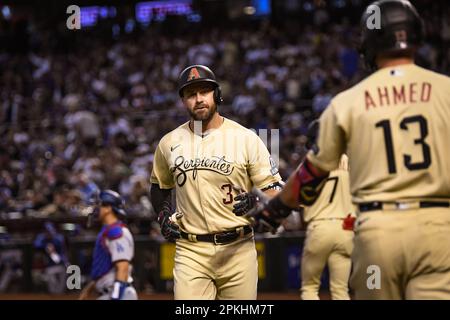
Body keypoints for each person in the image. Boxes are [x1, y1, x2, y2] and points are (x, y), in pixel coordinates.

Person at [246, 0, 450, 299]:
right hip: (438, 229)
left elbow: (311, 175)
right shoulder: (445, 90)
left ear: (370, 41)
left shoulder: (348, 102)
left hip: (379, 234)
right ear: (417, 34)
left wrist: (275, 210)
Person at [150, 65, 282, 300]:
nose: (198, 99)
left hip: (238, 249)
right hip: (191, 251)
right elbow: (159, 187)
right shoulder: (169, 142)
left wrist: (258, 200)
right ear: (183, 101)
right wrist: (162, 215)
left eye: (204, 92)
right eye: (191, 94)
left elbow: (275, 190)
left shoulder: (246, 138)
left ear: (217, 95)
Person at [300, 153, 355, 300]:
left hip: (320, 226)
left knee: (309, 288)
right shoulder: (352, 161)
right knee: (341, 289)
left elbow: (298, 197)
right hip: (346, 228)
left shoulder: (311, 162)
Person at [79, 190, 137, 300]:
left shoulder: (117, 232)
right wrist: (88, 290)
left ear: (108, 208)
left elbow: (123, 268)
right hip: (110, 293)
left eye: (98, 205)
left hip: (119, 294)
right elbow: (103, 270)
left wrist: (115, 297)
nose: (95, 209)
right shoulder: (107, 231)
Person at [33, 222, 69, 294]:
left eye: (50, 231)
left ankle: (60, 295)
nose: (49, 233)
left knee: (61, 288)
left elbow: (61, 253)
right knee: (53, 288)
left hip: (61, 265)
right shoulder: (42, 239)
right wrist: (44, 240)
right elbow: (36, 244)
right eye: (47, 231)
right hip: (50, 266)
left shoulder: (58, 238)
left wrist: (65, 262)